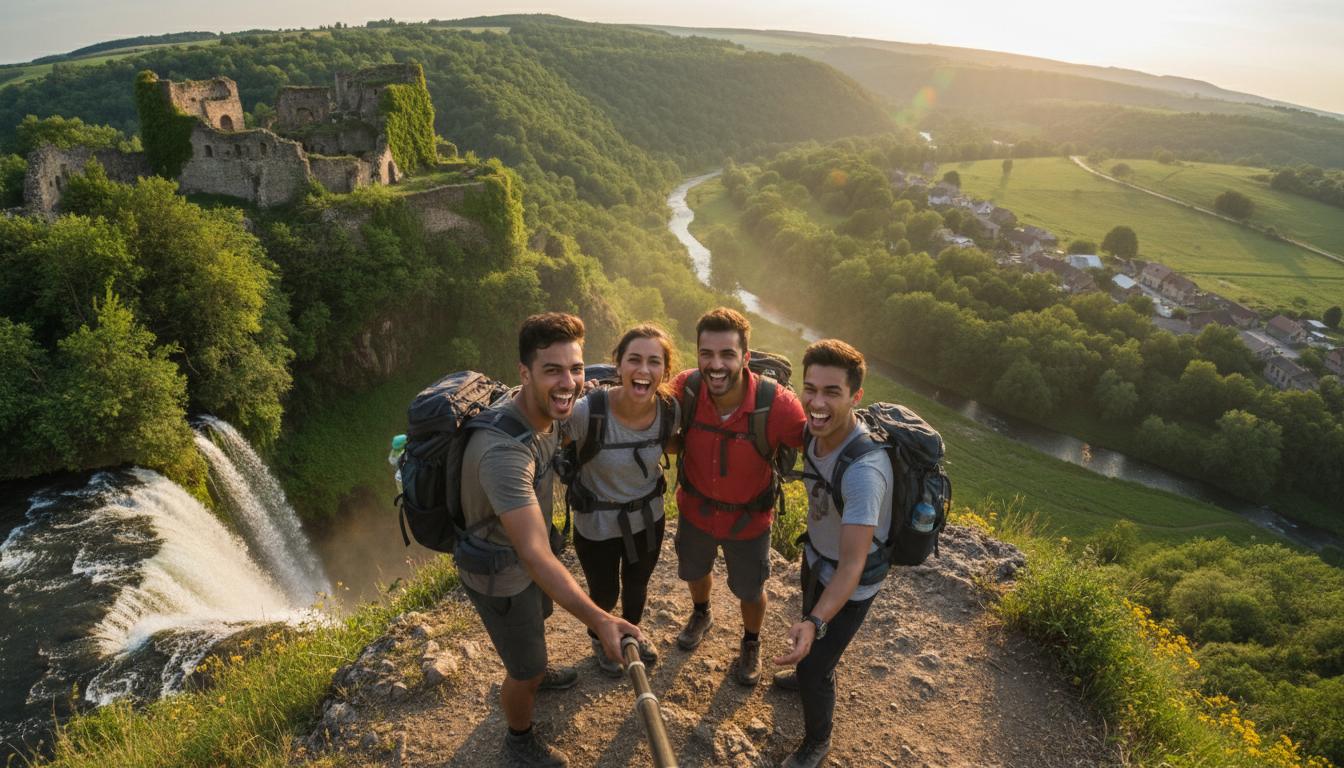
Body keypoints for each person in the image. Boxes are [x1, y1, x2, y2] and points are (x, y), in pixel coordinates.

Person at [457, 312, 644, 768]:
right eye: (553, 370)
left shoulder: (546, 410)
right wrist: (601, 621)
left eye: (576, 369)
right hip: (500, 572)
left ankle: (537, 671)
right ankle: (519, 738)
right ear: (524, 373)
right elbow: (536, 555)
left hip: (521, 562)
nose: (570, 382)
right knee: (524, 669)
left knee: (538, 620)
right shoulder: (502, 453)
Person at [771, 339, 893, 768]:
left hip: (850, 581)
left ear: (856, 396)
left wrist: (815, 621)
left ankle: (817, 741)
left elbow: (853, 566)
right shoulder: (814, 431)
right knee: (812, 641)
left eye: (831, 392)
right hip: (816, 559)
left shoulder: (864, 474)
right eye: (811, 389)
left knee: (815, 664)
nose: (816, 403)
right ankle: (811, 665)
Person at [672, 307, 805, 686]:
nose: (716, 365)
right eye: (706, 354)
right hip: (695, 511)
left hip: (749, 521)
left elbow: (816, 441)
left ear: (745, 357)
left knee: (750, 589)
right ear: (697, 354)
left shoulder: (776, 404)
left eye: (727, 354)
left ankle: (751, 641)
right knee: (695, 571)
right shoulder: (687, 388)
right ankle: (702, 612)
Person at [566, 324, 680, 677]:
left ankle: (630, 634)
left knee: (637, 584)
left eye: (653, 362)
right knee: (603, 589)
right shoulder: (589, 412)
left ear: (665, 371)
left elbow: (677, 444)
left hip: (647, 517)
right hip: (596, 522)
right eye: (634, 360)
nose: (643, 370)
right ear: (618, 364)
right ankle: (600, 639)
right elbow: (548, 438)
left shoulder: (669, 410)